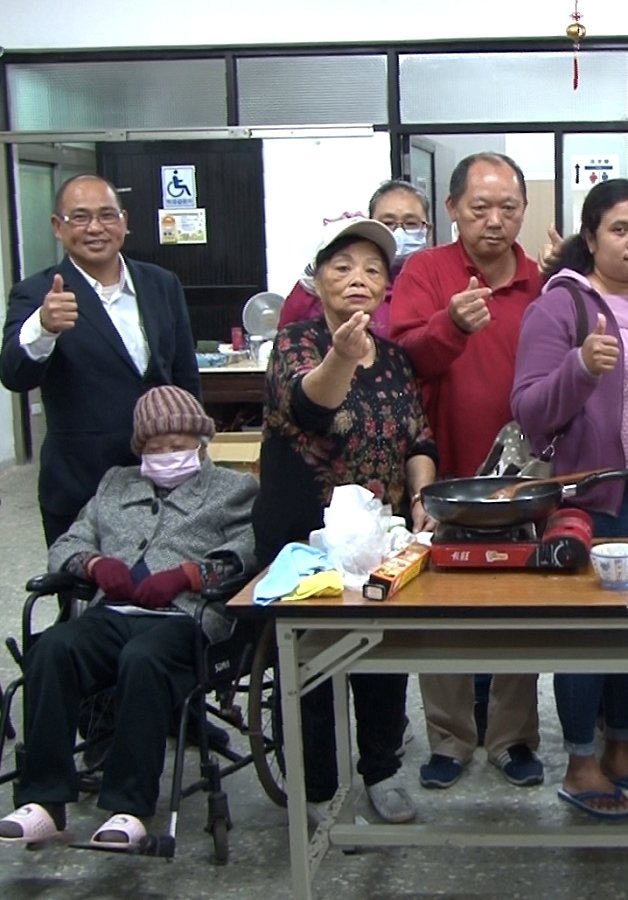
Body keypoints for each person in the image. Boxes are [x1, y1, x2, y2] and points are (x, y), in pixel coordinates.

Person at [0, 386, 256, 847]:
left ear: (201, 441)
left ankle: (128, 807)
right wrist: (95, 565)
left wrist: (190, 575)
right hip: (113, 611)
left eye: (178, 445)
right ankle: (43, 799)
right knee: (53, 649)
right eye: (156, 448)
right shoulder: (115, 484)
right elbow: (67, 543)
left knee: (142, 658)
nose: (167, 454)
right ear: (140, 451)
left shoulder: (234, 489)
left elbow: (252, 550)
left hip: (184, 618)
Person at [511, 179, 628, 819]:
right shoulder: (563, 307)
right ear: (592, 238)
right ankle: (581, 761)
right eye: (620, 229)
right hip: (599, 496)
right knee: (590, 635)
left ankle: (621, 749)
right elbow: (530, 412)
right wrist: (581, 366)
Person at [253, 217, 437, 825]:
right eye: (342, 267)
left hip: (378, 536)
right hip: (301, 537)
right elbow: (309, 406)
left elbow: (417, 434)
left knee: (379, 657)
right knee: (306, 662)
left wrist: (421, 497)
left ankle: (381, 769)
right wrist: (341, 356)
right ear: (317, 277)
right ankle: (316, 789)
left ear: (387, 284)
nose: (358, 278)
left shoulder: (394, 359)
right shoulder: (294, 343)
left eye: (373, 269)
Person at [388, 152, 544, 790]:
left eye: (508, 208)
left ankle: (513, 738)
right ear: (452, 209)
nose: (494, 221)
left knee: (520, 607)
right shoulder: (426, 271)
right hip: (443, 467)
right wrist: (450, 323)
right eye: (479, 207)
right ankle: (450, 737)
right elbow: (402, 359)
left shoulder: (541, 281)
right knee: (441, 606)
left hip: (525, 476)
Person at [0, 174, 201, 546]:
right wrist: (43, 327)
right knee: (84, 595)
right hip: (82, 481)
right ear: (57, 227)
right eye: (80, 217)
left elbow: (184, 374)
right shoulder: (37, 293)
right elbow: (14, 373)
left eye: (107, 215)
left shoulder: (161, 283)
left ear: (124, 222)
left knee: (168, 587)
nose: (95, 227)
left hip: (162, 473)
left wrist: (195, 447)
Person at [279, 179, 431, 336]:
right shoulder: (336, 282)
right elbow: (288, 330)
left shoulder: (435, 281)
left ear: (428, 230)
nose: (399, 232)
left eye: (411, 223)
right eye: (388, 222)